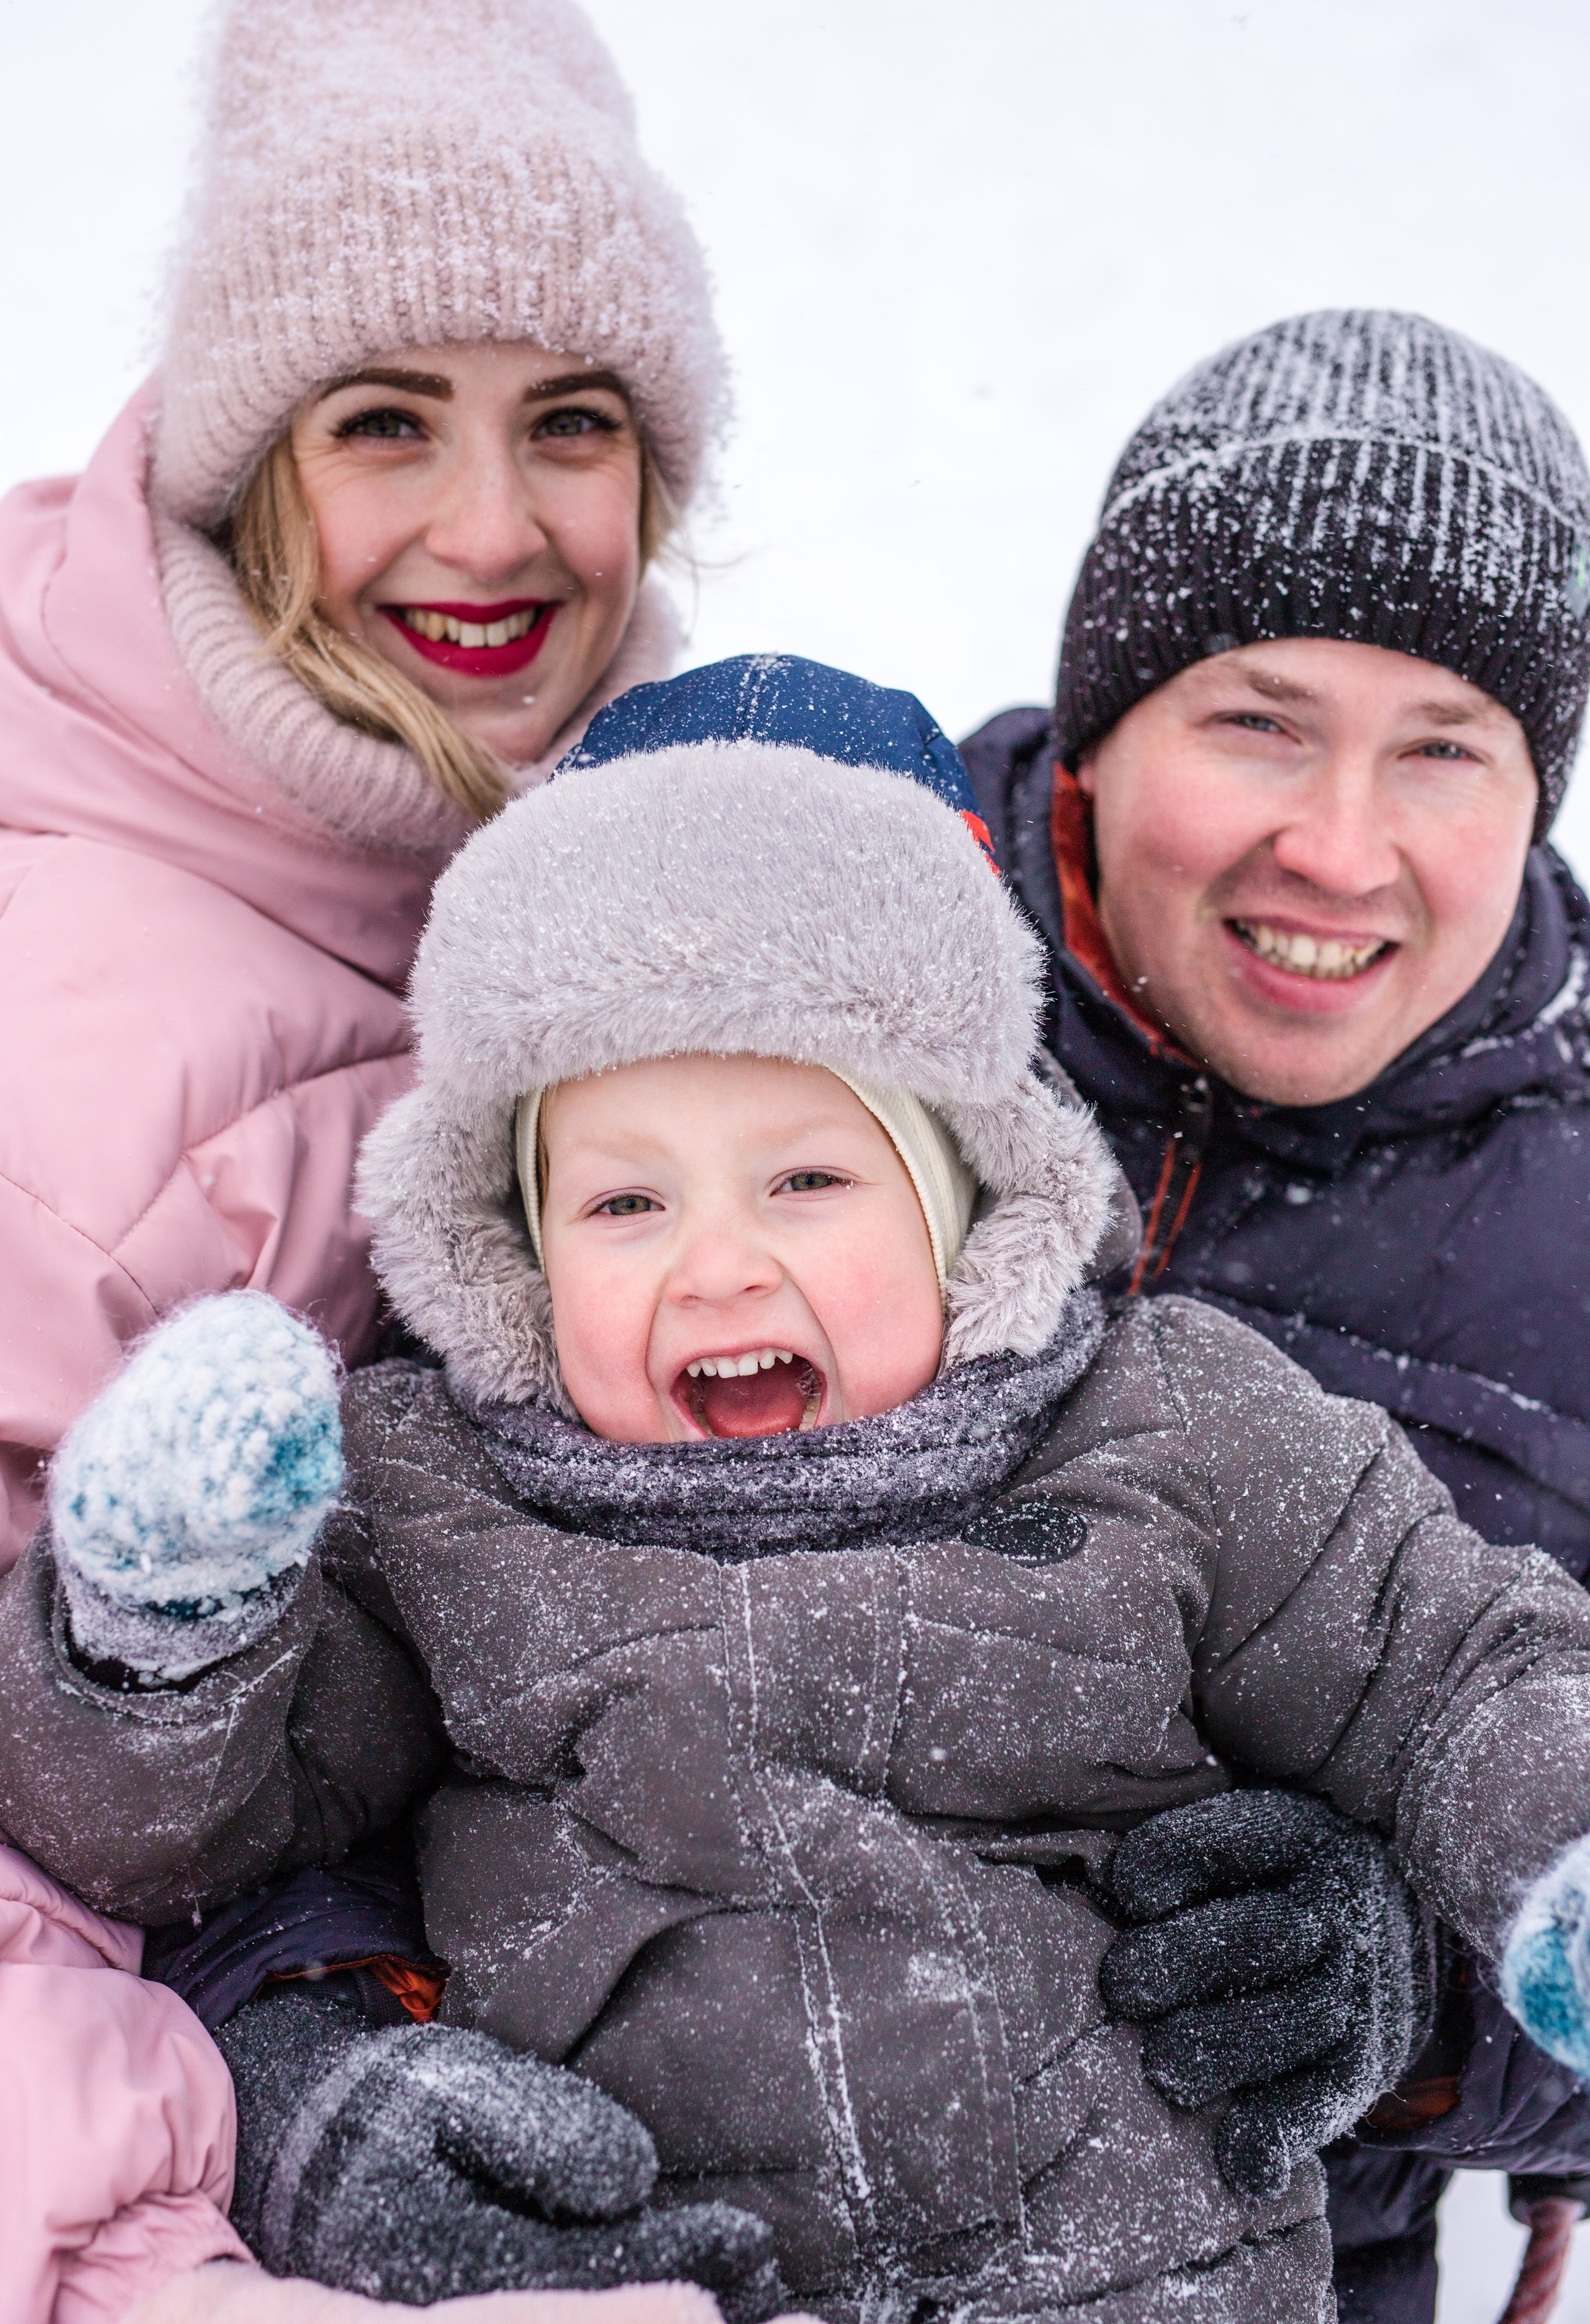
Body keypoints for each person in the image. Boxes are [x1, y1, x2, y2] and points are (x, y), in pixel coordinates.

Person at [11, 660, 1590, 2324]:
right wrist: (157, 1630)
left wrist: (1540, 1865)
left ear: (963, 1190)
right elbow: (186, 1833)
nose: (717, 1267)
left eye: (807, 1179)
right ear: (519, 1245)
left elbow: (1460, 1659)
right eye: (625, 1203)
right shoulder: (438, 1502)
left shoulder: (1166, 1428)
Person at [0, 0, 727, 2313]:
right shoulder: (80, 1054)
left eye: (578, 422)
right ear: (249, 460)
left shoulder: (597, 851)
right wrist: (235, 2174)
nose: (495, 531)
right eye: (387, 420)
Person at [961, 308, 1590, 2323]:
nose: (1338, 844)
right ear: (1102, 723)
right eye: (1258, 718)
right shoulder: (827, 1011)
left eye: (1443, 750)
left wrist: (1424, 2008)